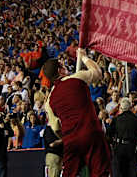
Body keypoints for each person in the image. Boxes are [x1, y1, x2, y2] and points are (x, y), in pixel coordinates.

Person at [43, 49, 111, 177]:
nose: (65, 67)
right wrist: (84, 57)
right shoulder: (77, 78)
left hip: (71, 140)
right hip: (91, 134)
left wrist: (67, 138)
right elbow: (97, 73)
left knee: (69, 174)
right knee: (100, 172)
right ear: (60, 70)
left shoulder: (49, 100)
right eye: (63, 65)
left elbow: (56, 129)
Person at [108, 97, 137, 177]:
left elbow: (108, 136)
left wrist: (113, 145)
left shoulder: (116, 120)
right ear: (130, 108)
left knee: (119, 174)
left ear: (121, 108)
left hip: (119, 149)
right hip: (133, 149)